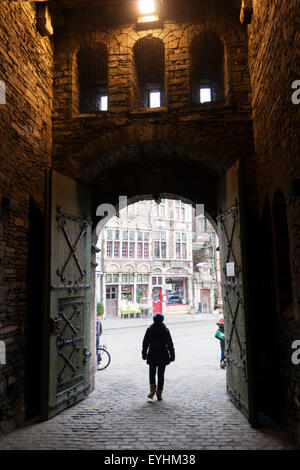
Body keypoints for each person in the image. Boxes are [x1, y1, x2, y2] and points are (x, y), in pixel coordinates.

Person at [142, 313, 175, 401]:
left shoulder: (150, 330)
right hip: (163, 355)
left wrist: (144, 354)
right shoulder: (165, 330)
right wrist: (172, 355)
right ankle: (159, 393)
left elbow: (145, 343)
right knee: (161, 375)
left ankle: (152, 391)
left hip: (152, 354)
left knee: (152, 374)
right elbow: (170, 344)